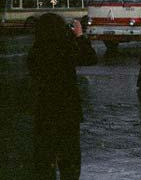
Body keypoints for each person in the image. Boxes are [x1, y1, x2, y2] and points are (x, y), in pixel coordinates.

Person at [28, 13, 97, 180]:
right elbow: (90, 58)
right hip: (68, 111)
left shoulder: (36, 51)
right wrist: (79, 36)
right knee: (69, 159)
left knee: (44, 160)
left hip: (44, 112)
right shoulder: (66, 47)